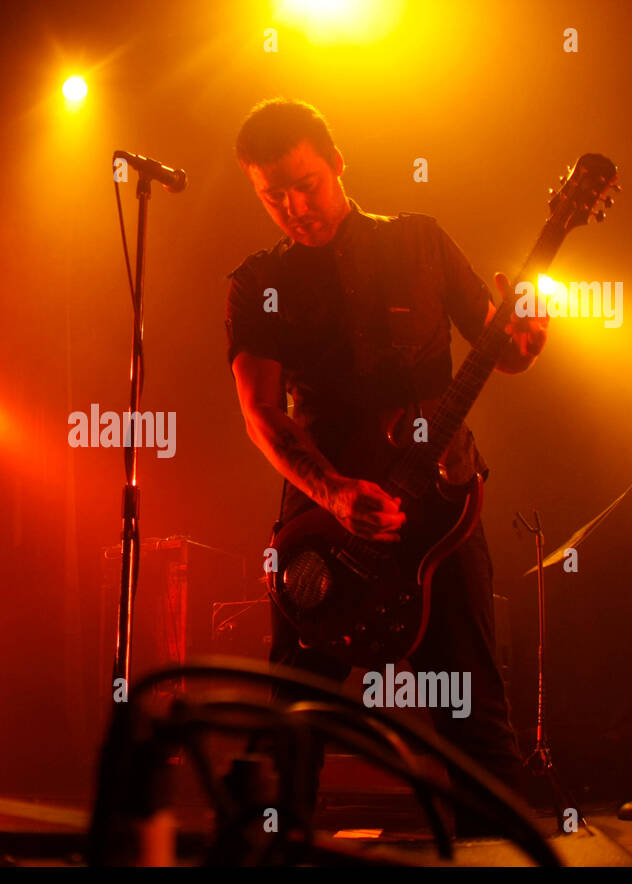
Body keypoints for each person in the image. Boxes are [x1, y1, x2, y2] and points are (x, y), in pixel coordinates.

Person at [225, 98, 546, 829]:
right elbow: (261, 411)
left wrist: (524, 340)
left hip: (443, 518)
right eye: (272, 194)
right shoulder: (256, 283)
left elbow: (504, 345)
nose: (294, 205)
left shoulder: (421, 242)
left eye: (305, 182)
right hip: (321, 525)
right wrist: (334, 493)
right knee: (295, 723)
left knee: (473, 720)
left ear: (339, 163)